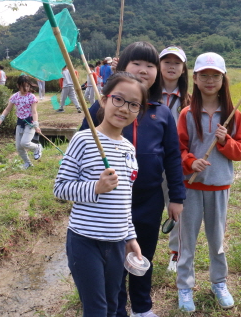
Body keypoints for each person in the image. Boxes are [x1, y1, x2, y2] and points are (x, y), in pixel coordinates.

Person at [80, 42, 186, 317]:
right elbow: (81, 150)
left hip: (148, 200)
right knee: (113, 259)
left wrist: (176, 197)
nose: (144, 70)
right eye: (136, 64)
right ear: (123, 68)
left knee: (143, 256)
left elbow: (173, 158)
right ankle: (117, 309)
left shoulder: (161, 113)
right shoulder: (101, 108)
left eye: (150, 65)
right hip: (110, 203)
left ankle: (142, 307)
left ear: (157, 73)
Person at [54, 72, 148, 317]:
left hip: (117, 243)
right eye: (118, 99)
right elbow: (60, 187)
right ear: (104, 100)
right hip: (85, 241)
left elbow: (124, 200)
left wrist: (130, 237)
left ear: (139, 111)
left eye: (133, 104)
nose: (124, 109)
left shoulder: (129, 149)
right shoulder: (84, 140)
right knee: (95, 309)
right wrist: (95, 188)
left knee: (112, 304)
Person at [175, 52, 241, 312]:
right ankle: (185, 286)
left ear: (223, 78)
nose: (209, 80)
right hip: (191, 187)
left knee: (217, 240)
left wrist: (224, 142)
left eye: (215, 75)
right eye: (204, 75)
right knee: (187, 240)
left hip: (219, 186)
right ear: (194, 78)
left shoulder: (232, 115)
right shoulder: (186, 114)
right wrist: (190, 162)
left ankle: (219, 282)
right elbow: (179, 149)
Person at [158, 46, 190, 273]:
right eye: (166, 61)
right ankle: (136, 249)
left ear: (183, 69)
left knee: (177, 208)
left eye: (176, 63)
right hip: (148, 162)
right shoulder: (145, 94)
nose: (171, 66)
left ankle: (175, 254)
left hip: (176, 163)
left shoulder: (189, 99)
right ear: (158, 66)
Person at [0, 75, 43, 169]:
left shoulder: (31, 97)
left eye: (27, 86)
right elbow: (7, 109)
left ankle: (37, 147)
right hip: (20, 123)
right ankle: (28, 163)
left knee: (25, 143)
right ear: (18, 86)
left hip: (30, 122)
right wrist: (1, 119)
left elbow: (34, 112)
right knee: (19, 147)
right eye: (23, 86)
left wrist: (36, 125)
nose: (26, 88)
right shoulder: (15, 96)